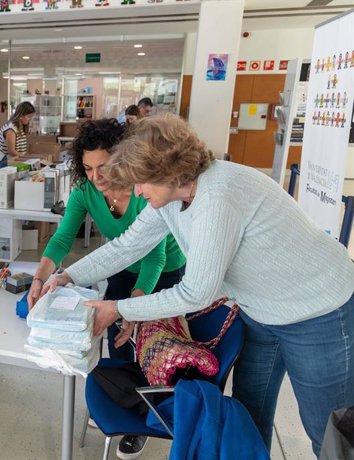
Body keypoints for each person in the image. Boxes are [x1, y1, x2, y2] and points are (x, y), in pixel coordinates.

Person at [42, 114, 354, 456]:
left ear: (168, 171)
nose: (138, 191)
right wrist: (67, 276)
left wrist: (118, 308)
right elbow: (127, 246)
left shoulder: (218, 196)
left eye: (143, 182)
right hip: (260, 311)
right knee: (248, 414)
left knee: (327, 432)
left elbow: (196, 292)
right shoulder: (170, 197)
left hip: (318, 311)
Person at [26, 118, 185, 460]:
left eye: (104, 167)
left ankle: (147, 417)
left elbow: (153, 257)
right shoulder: (85, 192)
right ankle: (125, 403)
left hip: (165, 272)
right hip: (120, 268)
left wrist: (136, 307)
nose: (96, 176)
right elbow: (63, 237)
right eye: (87, 168)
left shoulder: (142, 190)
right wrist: (40, 277)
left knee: (148, 343)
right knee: (115, 339)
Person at [0, 101, 35, 171]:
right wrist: (26, 157)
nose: (30, 119)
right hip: (4, 163)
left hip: (15, 161)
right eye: (28, 117)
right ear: (21, 115)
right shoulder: (11, 128)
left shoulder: (21, 126)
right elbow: (11, 151)